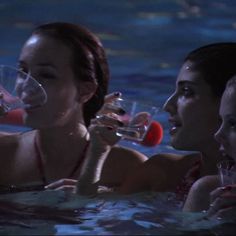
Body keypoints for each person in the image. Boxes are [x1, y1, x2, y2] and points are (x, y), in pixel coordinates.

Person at [76, 42, 236, 200]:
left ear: (227, 101)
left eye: (187, 91)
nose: (168, 105)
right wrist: (98, 151)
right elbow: (86, 214)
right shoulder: (163, 173)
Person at [0, 22, 147, 191]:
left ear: (86, 90)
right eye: (22, 71)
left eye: (46, 75)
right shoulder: (3, 154)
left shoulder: (129, 169)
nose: (25, 86)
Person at [183, 75, 236, 220]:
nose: (218, 135)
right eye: (221, 121)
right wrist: (213, 227)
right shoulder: (208, 192)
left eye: (233, 123)